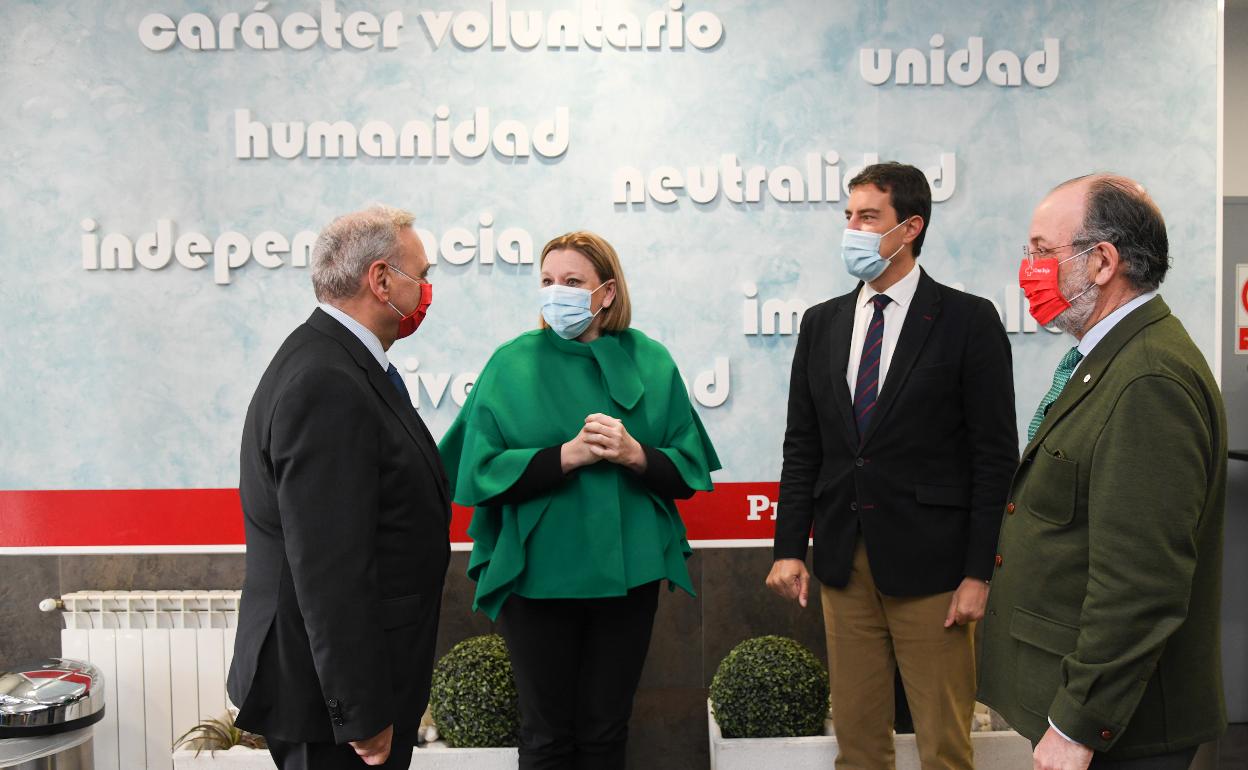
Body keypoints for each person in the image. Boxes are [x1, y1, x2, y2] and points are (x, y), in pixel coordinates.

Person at [766, 162, 1018, 770]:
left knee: (944, 746)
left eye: (867, 217)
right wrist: (787, 547)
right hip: (843, 563)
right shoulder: (822, 322)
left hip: (936, 570)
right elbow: (803, 444)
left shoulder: (967, 320)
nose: (851, 228)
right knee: (857, 744)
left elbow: (994, 457)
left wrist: (978, 571)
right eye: (848, 215)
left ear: (910, 228)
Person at [438, 230, 720, 770]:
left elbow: (687, 469)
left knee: (606, 731)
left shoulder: (653, 361)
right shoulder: (510, 362)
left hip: (628, 576)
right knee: (545, 735)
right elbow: (475, 472)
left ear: (607, 293)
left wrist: (635, 453)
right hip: (538, 575)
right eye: (547, 281)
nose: (556, 293)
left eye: (572, 282)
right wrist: (564, 456)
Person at [978, 174, 1227, 770]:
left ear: (1102, 263)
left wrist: (1077, 723)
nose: (1028, 267)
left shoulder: (1148, 380)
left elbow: (1141, 584)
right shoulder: (1111, 359)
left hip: (1120, 730)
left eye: (1041, 250)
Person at [227, 206, 451, 769]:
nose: (426, 291)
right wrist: (361, 711)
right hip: (333, 707)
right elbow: (329, 565)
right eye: (420, 276)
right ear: (380, 280)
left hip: (339, 691)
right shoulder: (327, 378)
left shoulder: (334, 360)